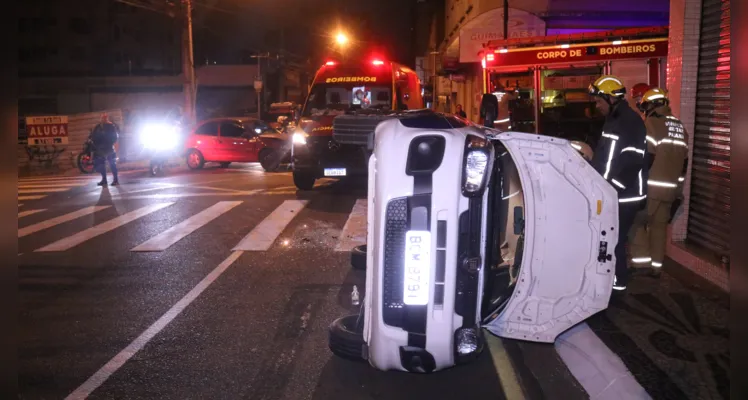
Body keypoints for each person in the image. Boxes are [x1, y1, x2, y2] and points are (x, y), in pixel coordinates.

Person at [588, 75, 648, 293]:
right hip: (613, 193)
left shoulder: (629, 122)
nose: (597, 105)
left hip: (624, 196)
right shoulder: (614, 120)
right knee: (610, 238)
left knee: (615, 239)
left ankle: (618, 284)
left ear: (610, 98)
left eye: (598, 101)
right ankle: (611, 279)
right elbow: (606, 157)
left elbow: (631, 163)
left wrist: (609, 188)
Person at [628, 88, 689, 277]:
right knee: (659, 228)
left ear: (652, 105)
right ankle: (657, 266)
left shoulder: (652, 124)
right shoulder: (680, 128)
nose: (644, 110)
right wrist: (678, 188)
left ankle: (640, 264)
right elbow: (684, 164)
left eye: (645, 105)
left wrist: (636, 180)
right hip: (670, 190)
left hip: (652, 187)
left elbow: (649, 157)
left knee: (635, 222)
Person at [90, 113, 120, 186]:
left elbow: (115, 137)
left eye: (105, 118)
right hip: (101, 149)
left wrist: (108, 142)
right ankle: (104, 180)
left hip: (109, 148)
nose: (104, 119)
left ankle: (115, 180)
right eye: (102, 117)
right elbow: (93, 136)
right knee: (101, 164)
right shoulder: (98, 127)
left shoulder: (111, 126)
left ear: (107, 119)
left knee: (112, 164)